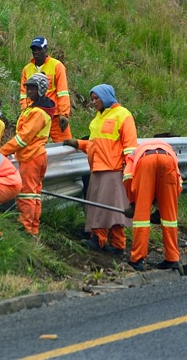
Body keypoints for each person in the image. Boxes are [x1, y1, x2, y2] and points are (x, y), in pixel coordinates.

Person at [62, 84, 137, 254]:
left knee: (114, 208)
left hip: (114, 170)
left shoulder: (123, 115)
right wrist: (79, 144)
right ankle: (100, 239)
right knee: (99, 206)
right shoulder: (97, 118)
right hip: (97, 168)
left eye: (97, 98)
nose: (94, 102)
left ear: (106, 97)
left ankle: (116, 244)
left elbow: (130, 147)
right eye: (92, 99)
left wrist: (127, 171)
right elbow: (95, 145)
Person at [0, 73, 52, 237]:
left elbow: (23, 138)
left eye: (32, 88)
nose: (28, 91)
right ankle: (33, 228)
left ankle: (25, 227)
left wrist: (2, 151)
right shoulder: (38, 109)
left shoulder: (37, 113)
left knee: (27, 193)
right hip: (37, 156)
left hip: (31, 156)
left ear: (41, 90)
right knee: (34, 194)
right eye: (27, 87)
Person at [123, 139, 183, 271]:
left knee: (141, 218)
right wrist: (165, 206)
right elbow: (178, 182)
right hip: (168, 161)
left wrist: (134, 202)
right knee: (170, 219)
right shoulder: (170, 152)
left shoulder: (133, 154)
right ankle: (172, 258)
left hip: (145, 162)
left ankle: (137, 259)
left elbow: (127, 176)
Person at [19, 36, 71, 142]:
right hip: (35, 114)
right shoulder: (27, 69)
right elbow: (23, 93)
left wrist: (64, 114)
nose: (36, 52)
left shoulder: (57, 66)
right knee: (33, 147)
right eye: (34, 49)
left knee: (66, 146)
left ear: (46, 49)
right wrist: (25, 111)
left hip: (55, 115)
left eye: (39, 49)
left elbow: (63, 92)